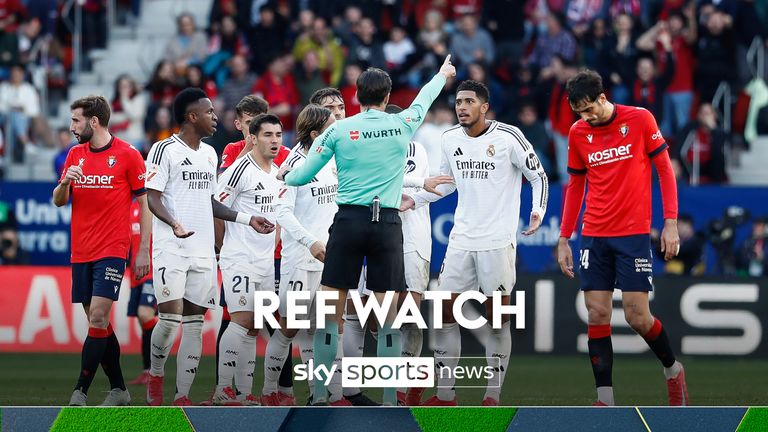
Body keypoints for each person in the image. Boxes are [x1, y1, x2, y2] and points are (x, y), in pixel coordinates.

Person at [280, 56, 456, 405]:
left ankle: (318, 395)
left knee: (331, 315)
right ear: (388, 94)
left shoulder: (338, 130)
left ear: (356, 95)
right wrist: (442, 74)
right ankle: (390, 398)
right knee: (389, 319)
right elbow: (424, 98)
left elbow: (299, 175)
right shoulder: (403, 125)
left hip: (347, 223)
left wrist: (282, 177)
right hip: (387, 226)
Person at [401, 80, 549, 406]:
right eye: (458, 102)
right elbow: (445, 183)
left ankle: (492, 394)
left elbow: (539, 175)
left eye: (469, 101)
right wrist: (414, 199)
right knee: (443, 312)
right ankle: (445, 394)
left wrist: (538, 210)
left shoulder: (509, 137)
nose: (461, 107)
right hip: (461, 240)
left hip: (497, 240)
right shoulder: (449, 138)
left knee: (497, 318)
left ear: (484, 106)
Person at [556, 70, 689, 406]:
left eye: (589, 110)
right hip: (593, 235)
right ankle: (605, 399)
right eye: (579, 113)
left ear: (603, 97)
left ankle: (673, 370)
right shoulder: (577, 133)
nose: (585, 118)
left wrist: (669, 222)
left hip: (632, 235)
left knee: (636, 316)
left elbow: (664, 171)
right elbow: (575, 186)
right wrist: (563, 237)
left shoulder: (640, 119)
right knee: (597, 313)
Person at [144, 88, 274, 406]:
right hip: (171, 248)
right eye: (209, 112)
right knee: (170, 319)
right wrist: (173, 223)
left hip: (203, 250)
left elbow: (211, 202)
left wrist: (246, 219)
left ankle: (182, 395)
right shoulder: (164, 150)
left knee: (195, 323)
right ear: (192, 117)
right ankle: (156, 374)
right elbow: (152, 196)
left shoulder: (210, 154)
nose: (216, 117)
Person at [53, 95, 151, 406]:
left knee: (97, 316)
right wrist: (65, 183)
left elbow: (144, 204)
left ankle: (79, 390)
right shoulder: (74, 155)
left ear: (93, 122)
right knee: (99, 322)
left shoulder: (128, 155)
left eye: (76, 121)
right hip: (81, 250)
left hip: (113, 247)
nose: (72, 127)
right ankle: (120, 389)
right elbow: (58, 200)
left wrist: (143, 250)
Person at [262, 104, 350, 406]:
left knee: (330, 326)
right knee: (290, 328)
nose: (337, 127)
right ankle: (269, 391)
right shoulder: (292, 166)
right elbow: (282, 213)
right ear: (315, 133)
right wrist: (310, 241)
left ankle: (327, 394)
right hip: (300, 258)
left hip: (331, 257)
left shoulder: (335, 159)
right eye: (330, 124)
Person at [213, 114, 283, 405]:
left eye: (278, 135)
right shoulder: (240, 169)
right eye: (268, 135)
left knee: (254, 325)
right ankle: (222, 390)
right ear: (253, 138)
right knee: (241, 320)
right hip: (239, 257)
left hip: (265, 261)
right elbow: (214, 203)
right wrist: (239, 227)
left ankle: (242, 393)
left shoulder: (277, 173)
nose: (275, 141)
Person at [126, 199, 157, 386]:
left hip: (153, 271)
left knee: (145, 314)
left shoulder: (155, 205)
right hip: (135, 274)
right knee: (142, 320)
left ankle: (165, 337)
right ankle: (148, 371)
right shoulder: (130, 207)